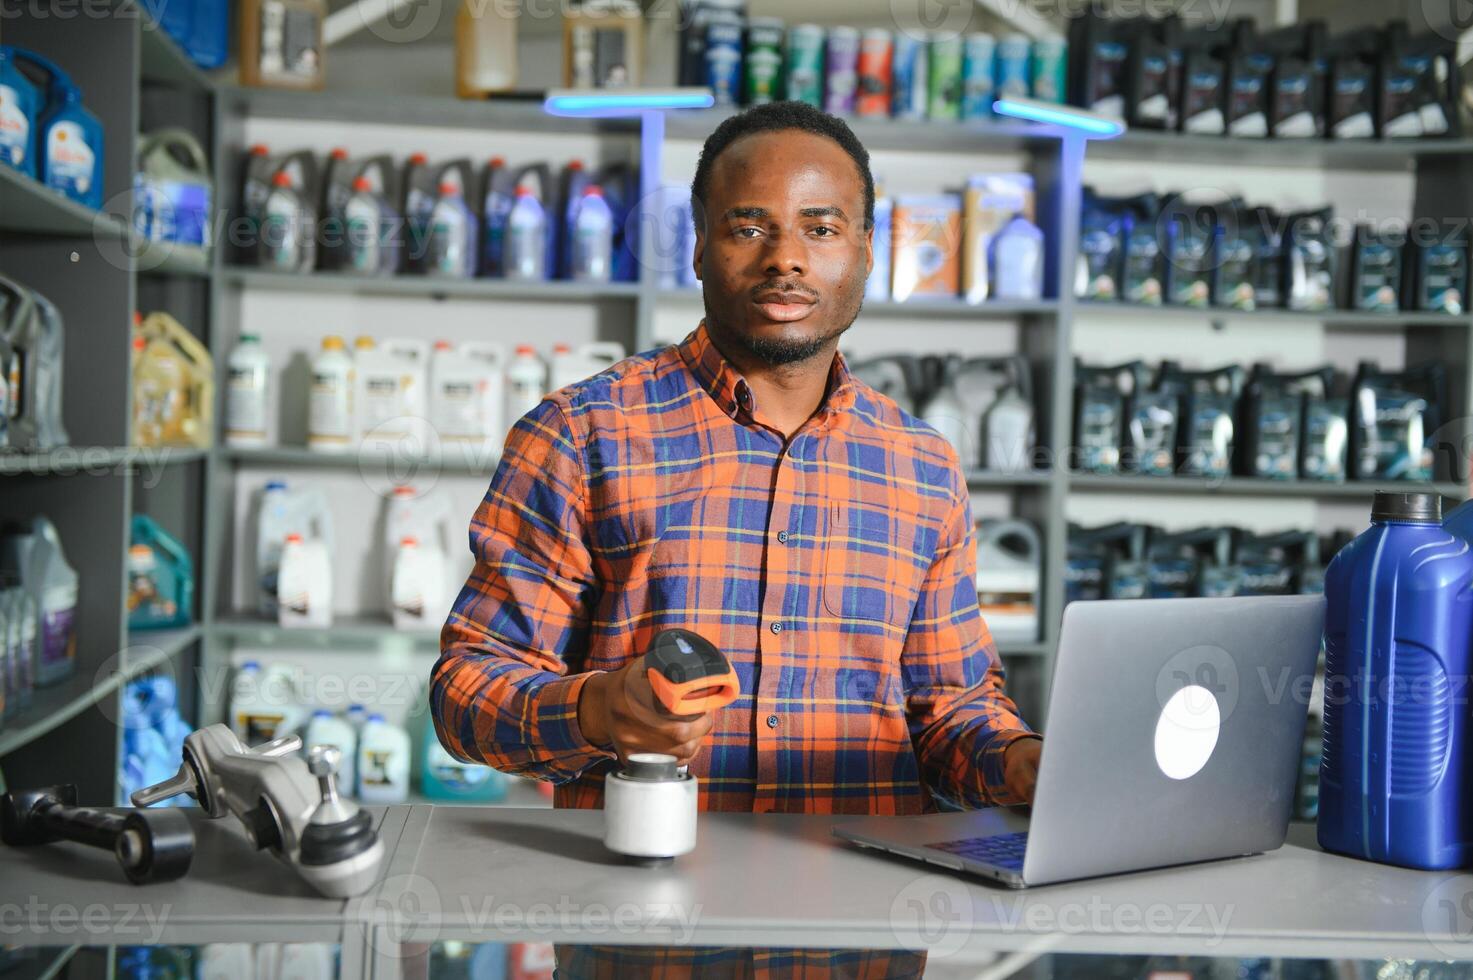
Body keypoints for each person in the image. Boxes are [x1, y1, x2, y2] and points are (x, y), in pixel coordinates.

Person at [432, 100, 1042, 978]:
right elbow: (464, 691)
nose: (785, 257)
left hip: (862, 948)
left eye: (820, 228)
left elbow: (948, 709)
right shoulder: (581, 434)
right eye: (747, 225)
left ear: (867, 251)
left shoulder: (922, 468)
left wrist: (1023, 763)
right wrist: (599, 709)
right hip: (638, 945)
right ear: (698, 247)